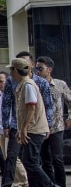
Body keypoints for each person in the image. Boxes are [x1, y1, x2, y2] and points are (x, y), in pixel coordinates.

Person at [1, 51, 53, 187]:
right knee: (28, 162)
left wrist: (23, 129)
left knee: (31, 163)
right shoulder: (22, 85)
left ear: (16, 71)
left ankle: (49, 185)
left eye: (11, 70)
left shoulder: (28, 85)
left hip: (34, 130)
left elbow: (31, 108)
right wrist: (20, 129)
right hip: (29, 129)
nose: (10, 73)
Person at [35, 56, 71, 186]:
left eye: (40, 68)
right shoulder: (34, 84)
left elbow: (70, 101)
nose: (37, 71)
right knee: (45, 160)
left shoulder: (60, 84)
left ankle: (61, 184)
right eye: (36, 68)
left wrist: (69, 117)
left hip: (57, 127)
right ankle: (50, 184)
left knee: (58, 159)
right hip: (41, 128)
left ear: (49, 69)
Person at [0, 71, 28, 187]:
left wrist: (8, 126)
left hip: (10, 128)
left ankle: (23, 180)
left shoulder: (13, 94)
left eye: (1, 81)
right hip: (1, 130)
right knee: (6, 157)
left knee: (12, 157)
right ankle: (17, 180)